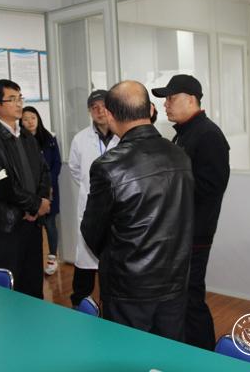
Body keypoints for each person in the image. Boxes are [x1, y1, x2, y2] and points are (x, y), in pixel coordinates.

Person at [81, 80, 194, 340]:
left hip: (128, 285)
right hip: (175, 279)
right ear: (150, 110)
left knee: (128, 352)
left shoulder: (108, 166)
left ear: (110, 115)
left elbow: (92, 231)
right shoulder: (179, 154)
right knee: (169, 351)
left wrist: (118, 258)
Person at [152, 74, 230, 350]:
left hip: (194, 233)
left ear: (191, 99)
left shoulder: (208, 135)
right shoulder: (184, 133)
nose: (165, 105)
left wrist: (167, 185)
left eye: (171, 98)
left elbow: (211, 186)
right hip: (179, 232)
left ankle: (205, 354)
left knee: (190, 298)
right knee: (181, 298)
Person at [0, 79, 51, 299]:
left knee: (33, 286)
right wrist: (34, 205)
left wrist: (40, 202)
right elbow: (1, 184)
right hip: (7, 224)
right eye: (12, 99)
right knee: (10, 289)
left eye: (20, 98)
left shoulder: (27, 136)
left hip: (32, 223)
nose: (19, 104)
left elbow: (43, 171)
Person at [68, 90, 119, 308]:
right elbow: (75, 169)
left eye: (103, 106)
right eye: (94, 107)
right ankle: (79, 303)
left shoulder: (123, 136)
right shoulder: (80, 139)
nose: (99, 111)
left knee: (113, 261)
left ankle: (110, 307)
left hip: (118, 208)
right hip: (90, 207)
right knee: (85, 261)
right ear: (89, 111)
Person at [20, 106, 62, 275]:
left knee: (50, 224)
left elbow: (56, 163)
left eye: (33, 118)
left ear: (38, 118)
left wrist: (49, 185)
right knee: (32, 225)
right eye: (25, 119)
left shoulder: (49, 138)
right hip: (30, 191)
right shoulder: (19, 140)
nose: (30, 122)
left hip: (50, 188)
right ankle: (34, 260)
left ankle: (52, 258)